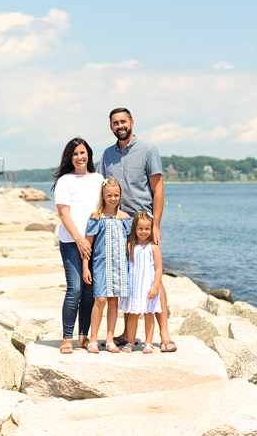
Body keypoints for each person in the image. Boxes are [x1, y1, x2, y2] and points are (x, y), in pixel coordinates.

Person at [98, 107, 177, 352]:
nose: (119, 125)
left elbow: (159, 190)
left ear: (132, 122)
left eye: (123, 121)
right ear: (111, 127)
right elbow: (102, 189)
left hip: (143, 222)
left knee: (154, 276)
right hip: (117, 222)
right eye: (115, 122)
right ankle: (127, 333)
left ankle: (164, 334)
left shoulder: (148, 150)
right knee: (127, 276)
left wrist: (156, 225)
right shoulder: (107, 155)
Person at [53, 137, 104, 354]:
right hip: (71, 242)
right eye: (75, 154)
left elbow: (106, 207)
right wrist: (79, 240)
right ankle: (67, 337)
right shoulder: (65, 181)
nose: (79, 157)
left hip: (95, 242)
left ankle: (83, 336)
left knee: (90, 291)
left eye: (83, 153)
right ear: (69, 157)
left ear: (89, 155)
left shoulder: (99, 179)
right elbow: (64, 213)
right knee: (75, 288)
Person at [83, 177, 131, 353]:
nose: (113, 198)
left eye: (116, 195)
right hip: (101, 265)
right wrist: (85, 266)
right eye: (109, 195)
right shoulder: (96, 218)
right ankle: (93, 338)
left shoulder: (125, 219)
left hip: (119, 266)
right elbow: (88, 245)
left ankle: (110, 339)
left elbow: (129, 245)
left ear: (120, 196)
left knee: (113, 301)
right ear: (103, 196)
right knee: (100, 299)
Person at [119, 211, 163, 353]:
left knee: (149, 315)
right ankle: (131, 342)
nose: (144, 232)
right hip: (134, 287)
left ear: (151, 230)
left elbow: (159, 269)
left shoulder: (153, 248)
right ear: (135, 229)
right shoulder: (130, 245)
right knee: (133, 315)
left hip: (148, 287)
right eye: (140, 228)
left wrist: (155, 287)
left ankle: (148, 343)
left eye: (147, 229)